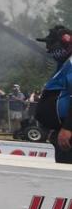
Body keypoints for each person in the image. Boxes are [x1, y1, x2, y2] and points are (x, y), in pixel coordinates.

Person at [34, 26, 72, 163]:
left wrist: (68, 128)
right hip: (62, 131)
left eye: (51, 44)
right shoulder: (64, 64)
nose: (48, 49)